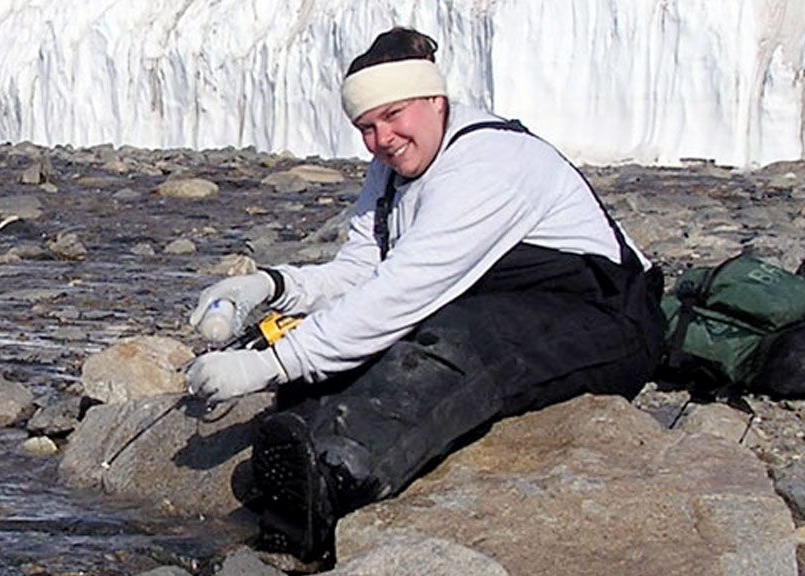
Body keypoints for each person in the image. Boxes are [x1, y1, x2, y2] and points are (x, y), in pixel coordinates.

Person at [185, 26, 664, 564]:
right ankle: (302, 451)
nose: (381, 138)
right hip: (498, 300)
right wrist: (272, 286)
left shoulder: (490, 165)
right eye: (366, 127)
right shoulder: (391, 171)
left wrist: (273, 366)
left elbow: (400, 292)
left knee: (454, 344)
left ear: (435, 101)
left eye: (393, 116)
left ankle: (340, 480)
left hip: (605, 318)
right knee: (362, 352)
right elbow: (362, 271)